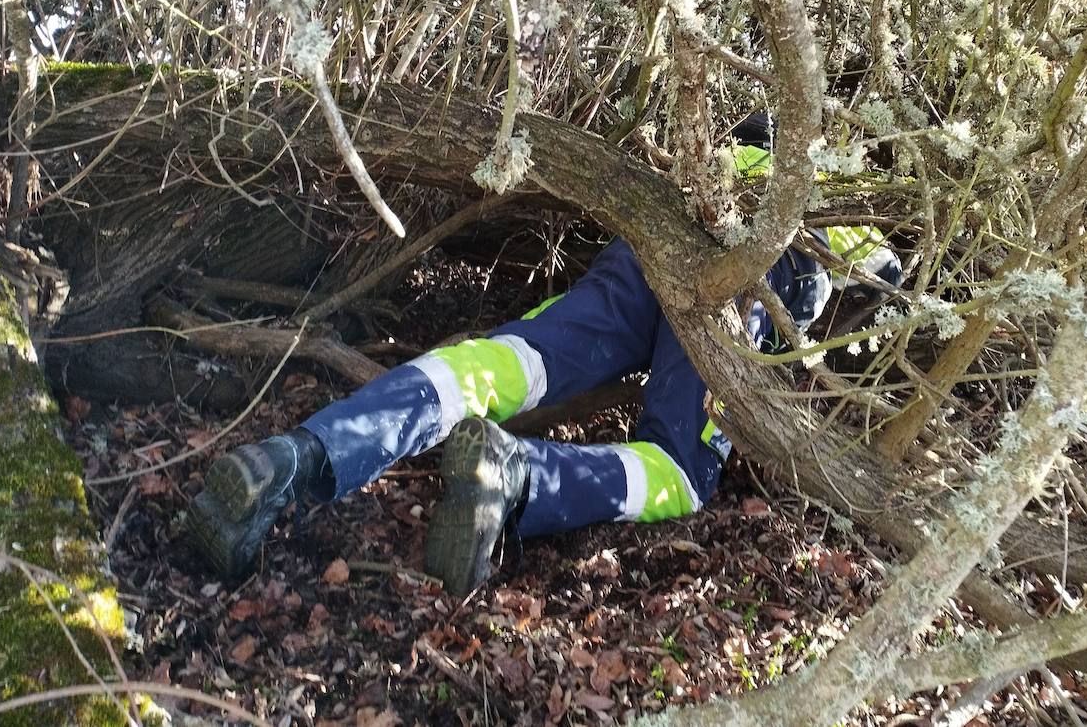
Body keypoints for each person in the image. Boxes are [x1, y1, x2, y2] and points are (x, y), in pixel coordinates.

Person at [187, 126, 902, 594]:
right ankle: (517, 474)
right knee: (682, 470)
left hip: (651, 247)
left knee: (511, 361)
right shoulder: (844, 197)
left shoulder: (737, 139)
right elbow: (884, 286)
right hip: (742, 289)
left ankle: (298, 456)